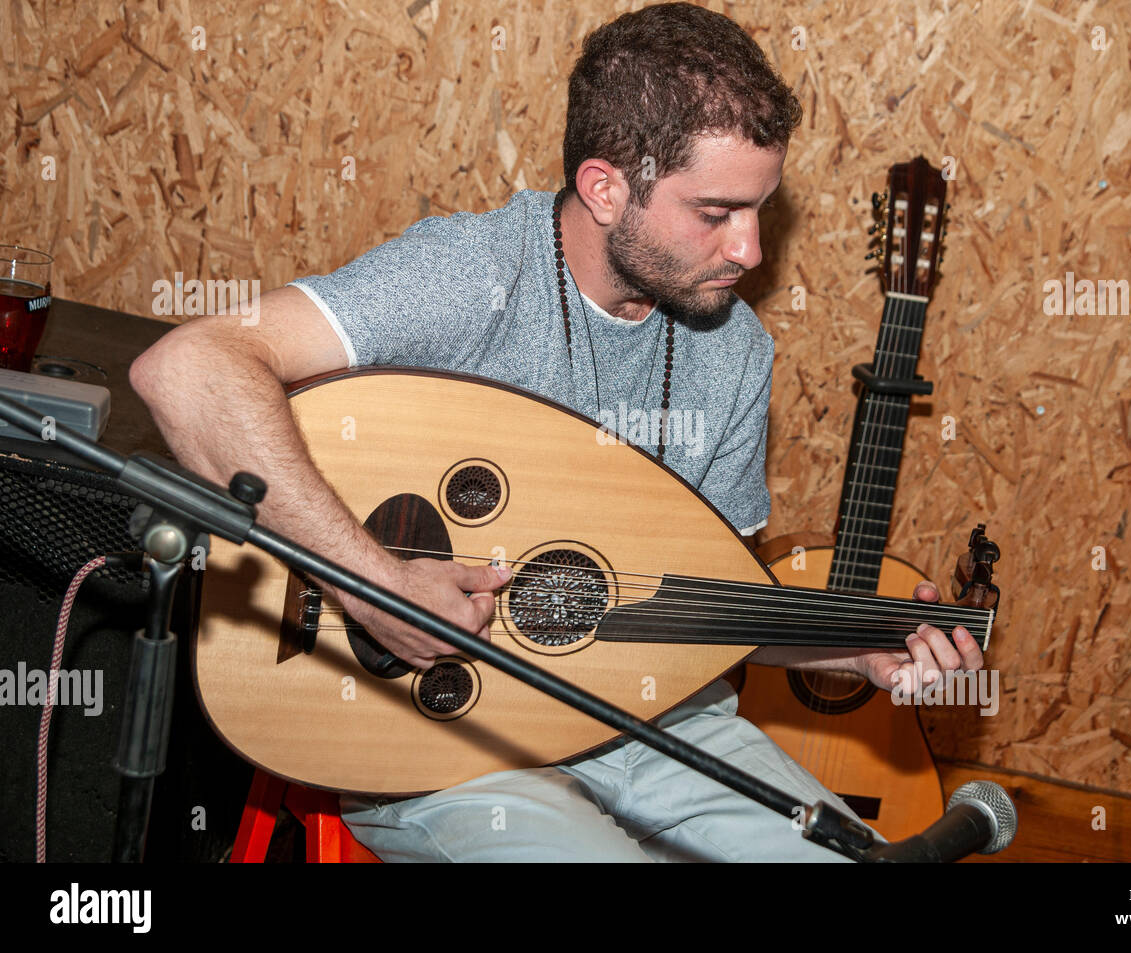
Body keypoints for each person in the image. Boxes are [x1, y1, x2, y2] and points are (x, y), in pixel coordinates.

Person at [130, 2, 983, 862]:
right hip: (446, 741)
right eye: (716, 212)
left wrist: (860, 644)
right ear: (606, 187)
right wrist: (372, 583)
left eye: (760, 209)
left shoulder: (734, 351)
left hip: (652, 715)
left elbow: (705, 610)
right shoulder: (473, 274)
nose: (752, 250)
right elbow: (190, 367)